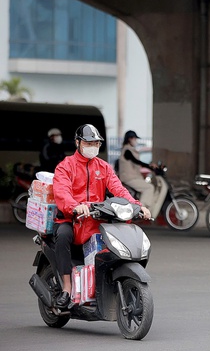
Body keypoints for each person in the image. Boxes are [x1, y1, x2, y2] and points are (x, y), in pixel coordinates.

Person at [52, 124, 151, 308]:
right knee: (63, 235)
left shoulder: (103, 167)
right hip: (71, 219)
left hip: (96, 218)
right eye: (89, 142)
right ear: (78, 143)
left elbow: (118, 189)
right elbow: (62, 192)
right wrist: (75, 206)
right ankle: (67, 287)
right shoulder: (65, 167)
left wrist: (137, 206)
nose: (93, 146)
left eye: (96, 143)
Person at [118, 130, 157, 213]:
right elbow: (136, 161)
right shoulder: (127, 151)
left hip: (133, 177)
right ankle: (141, 209)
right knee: (149, 187)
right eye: (135, 139)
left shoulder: (129, 149)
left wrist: (150, 166)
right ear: (130, 139)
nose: (136, 141)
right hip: (129, 178)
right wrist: (149, 166)